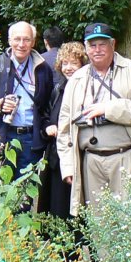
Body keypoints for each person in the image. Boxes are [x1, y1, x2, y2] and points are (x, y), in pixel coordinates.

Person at [56, 22, 131, 216]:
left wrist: (108, 109)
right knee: (100, 225)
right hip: (90, 162)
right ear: (86, 48)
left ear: (113, 44)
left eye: (102, 44)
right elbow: (64, 126)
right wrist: (67, 166)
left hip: (127, 158)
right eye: (92, 45)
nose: (97, 50)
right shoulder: (77, 79)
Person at [0, 21, 54, 195]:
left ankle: (20, 222)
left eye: (26, 40)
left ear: (33, 41)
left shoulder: (42, 68)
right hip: (1, 135)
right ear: (9, 41)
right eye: (17, 39)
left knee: (24, 192)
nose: (21, 44)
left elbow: (47, 104)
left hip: (31, 138)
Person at [38, 42, 88, 217]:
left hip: (77, 154)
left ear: (83, 64)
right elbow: (44, 115)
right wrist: (47, 128)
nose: (68, 68)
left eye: (74, 63)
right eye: (65, 63)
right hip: (55, 156)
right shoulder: (58, 88)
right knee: (54, 207)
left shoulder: (88, 88)